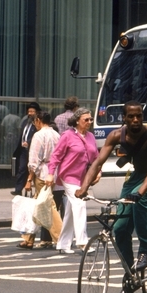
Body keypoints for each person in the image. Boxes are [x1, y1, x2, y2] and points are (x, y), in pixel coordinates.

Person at [82, 101, 147, 293]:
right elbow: (97, 162)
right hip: (136, 178)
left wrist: (139, 193)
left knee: (141, 201)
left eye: (139, 116)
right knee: (120, 228)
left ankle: (146, 251)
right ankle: (131, 276)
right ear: (124, 118)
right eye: (131, 116)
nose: (136, 120)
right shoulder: (116, 135)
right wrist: (84, 186)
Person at [47, 107, 98, 253]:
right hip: (68, 176)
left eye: (90, 119)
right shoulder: (67, 136)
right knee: (80, 203)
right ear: (77, 121)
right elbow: (56, 156)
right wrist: (50, 174)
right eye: (86, 119)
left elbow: (96, 158)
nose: (89, 122)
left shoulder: (90, 136)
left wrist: (98, 172)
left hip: (83, 178)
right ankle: (83, 242)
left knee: (71, 209)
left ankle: (63, 244)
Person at [20, 110, 60, 249]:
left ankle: (60, 237)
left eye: (35, 121)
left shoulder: (38, 135)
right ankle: (28, 238)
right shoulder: (56, 134)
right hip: (53, 172)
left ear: (38, 120)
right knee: (36, 204)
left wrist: (29, 179)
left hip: (42, 174)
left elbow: (34, 160)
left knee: (48, 206)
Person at [11, 103, 39, 195]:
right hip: (23, 150)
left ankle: (36, 190)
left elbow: (37, 135)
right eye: (29, 111)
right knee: (22, 169)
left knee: (34, 170)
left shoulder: (38, 123)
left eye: (32, 111)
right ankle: (18, 189)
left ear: (37, 112)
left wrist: (29, 142)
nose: (30, 113)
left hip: (33, 150)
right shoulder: (25, 122)